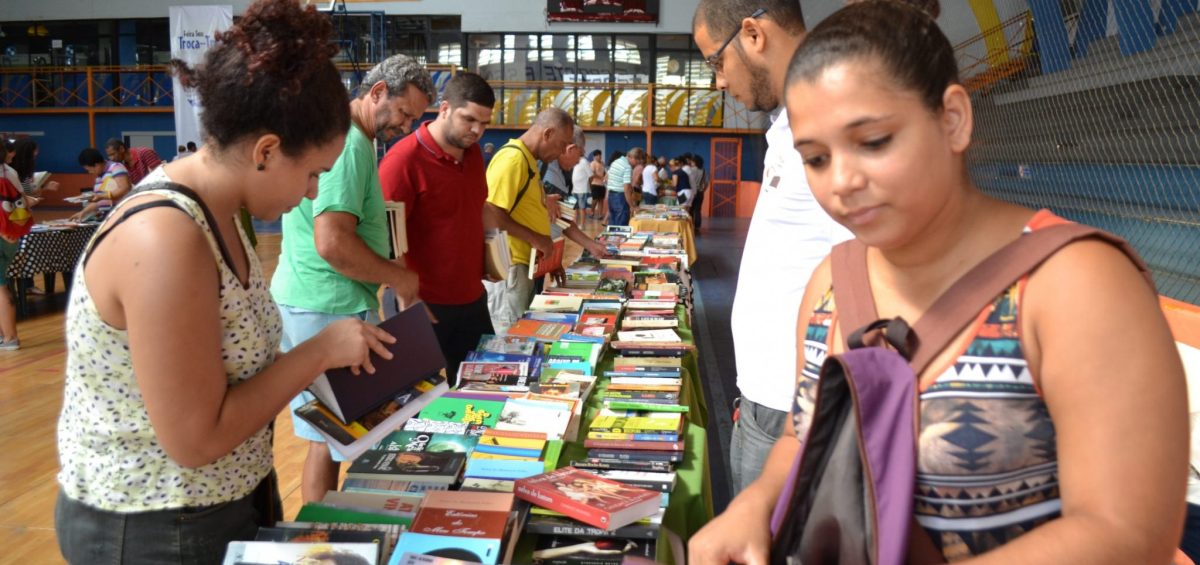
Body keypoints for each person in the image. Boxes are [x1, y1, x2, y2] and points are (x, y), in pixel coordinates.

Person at [689, 2, 1188, 564]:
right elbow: (801, 437)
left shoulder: (1076, 284)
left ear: (953, 118)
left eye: (874, 141)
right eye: (817, 158)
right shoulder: (831, 283)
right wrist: (752, 507)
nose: (843, 182)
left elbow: (1127, 533)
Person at [54, 1, 396, 562]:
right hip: (154, 525)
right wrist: (319, 351)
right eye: (312, 174)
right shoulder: (165, 237)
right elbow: (196, 439)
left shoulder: (224, 212)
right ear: (265, 151)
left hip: (224, 499)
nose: (313, 193)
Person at [692, 0, 854, 496]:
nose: (719, 81)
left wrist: (806, 413)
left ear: (753, 34)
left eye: (716, 61)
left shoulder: (830, 123)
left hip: (795, 410)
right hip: (768, 398)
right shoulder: (788, 125)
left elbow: (864, 280)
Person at [270, 53, 434, 504]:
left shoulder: (354, 140)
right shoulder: (348, 146)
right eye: (403, 114)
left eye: (414, 119)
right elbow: (333, 242)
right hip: (325, 306)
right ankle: (319, 539)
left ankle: (327, 533)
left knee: (336, 438)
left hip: (331, 303)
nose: (405, 127)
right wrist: (398, 280)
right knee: (330, 439)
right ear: (377, 92)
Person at [378, 71, 498, 383]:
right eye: (469, 119)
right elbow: (387, 236)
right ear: (444, 109)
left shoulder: (473, 157)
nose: (477, 130)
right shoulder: (403, 160)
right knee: (421, 405)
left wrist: (494, 255)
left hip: (472, 300)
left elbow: (477, 207)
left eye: (484, 123)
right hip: (423, 304)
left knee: (482, 391)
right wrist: (406, 296)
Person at [482, 107, 574, 334]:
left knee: (522, 333)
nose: (563, 152)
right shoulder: (513, 159)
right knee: (511, 336)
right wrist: (536, 239)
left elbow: (525, 213)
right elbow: (491, 213)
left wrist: (548, 258)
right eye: (562, 144)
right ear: (548, 134)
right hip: (509, 267)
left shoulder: (527, 160)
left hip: (525, 265)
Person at [0, 142, 27, 351]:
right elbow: (23, 201)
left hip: (2, 233)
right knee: (2, 282)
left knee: (0, 287)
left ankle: (10, 338)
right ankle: (5, 335)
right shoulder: (9, 172)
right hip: (11, 234)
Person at [72, 148, 133, 222]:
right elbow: (97, 202)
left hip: (122, 214)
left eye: (89, 169)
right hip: (108, 217)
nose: (90, 172)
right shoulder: (98, 179)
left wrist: (101, 196)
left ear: (96, 165)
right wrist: (83, 212)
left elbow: (124, 188)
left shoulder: (116, 167)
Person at [605, 147, 641, 226]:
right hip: (621, 198)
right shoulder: (627, 167)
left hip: (611, 196)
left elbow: (606, 178)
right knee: (621, 228)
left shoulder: (616, 161)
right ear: (632, 157)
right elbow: (626, 189)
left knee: (613, 225)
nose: (637, 164)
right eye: (637, 161)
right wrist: (632, 206)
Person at [686, 154, 708, 230]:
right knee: (698, 210)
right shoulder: (703, 171)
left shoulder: (691, 170)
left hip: (692, 192)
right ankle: (697, 226)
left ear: (694, 162)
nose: (691, 162)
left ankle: (690, 225)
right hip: (700, 192)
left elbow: (688, 181)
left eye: (692, 161)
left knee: (691, 209)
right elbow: (706, 183)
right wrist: (703, 190)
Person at [572, 142, 593, 214]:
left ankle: (582, 225)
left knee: (582, 208)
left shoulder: (584, 161)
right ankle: (576, 224)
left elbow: (591, 176)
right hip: (575, 189)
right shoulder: (574, 161)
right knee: (575, 208)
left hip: (582, 189)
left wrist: (590, 186)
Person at [588, 149, 607, 220]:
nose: (599, 157)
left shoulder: (602, 163)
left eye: (600, 155)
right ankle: (592, 212)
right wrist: (601, 177)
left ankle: (600, 214)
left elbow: (604, 172)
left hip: (602, 185)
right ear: (594, 156)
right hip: (595, 184)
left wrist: (605, 177)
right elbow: (592, 174)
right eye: (598, 155)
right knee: (595, 199)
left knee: (601, 200)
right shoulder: (593, 163)